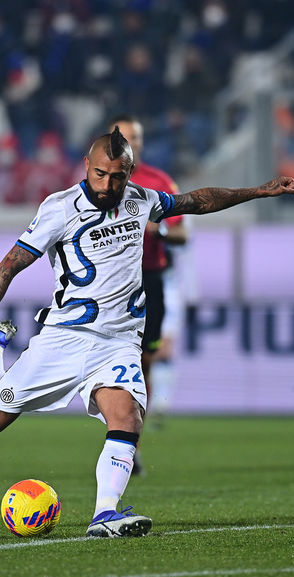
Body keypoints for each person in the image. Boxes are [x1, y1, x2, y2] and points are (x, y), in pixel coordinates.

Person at [0, 128, 294, 536]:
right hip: (65, 338)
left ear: (130, 173)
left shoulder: (141, 200)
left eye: (117, 177)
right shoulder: (59, 209)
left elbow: (196, 201)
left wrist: (257, 192)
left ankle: (105, 514)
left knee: (128, 416)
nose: (107, 185)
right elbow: (8, 265)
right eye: (99, 174)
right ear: (86, 165)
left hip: (119, 342)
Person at [109, 114, 188, 473]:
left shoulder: (159, 183)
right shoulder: (100, 182)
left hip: (148, 280)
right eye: (123, 137)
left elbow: (181, 234)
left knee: (142, 364)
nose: (131, 143)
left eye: (136, 137)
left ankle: (130, 444)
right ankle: (118, 433)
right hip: (110, 283)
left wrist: (158, 230)